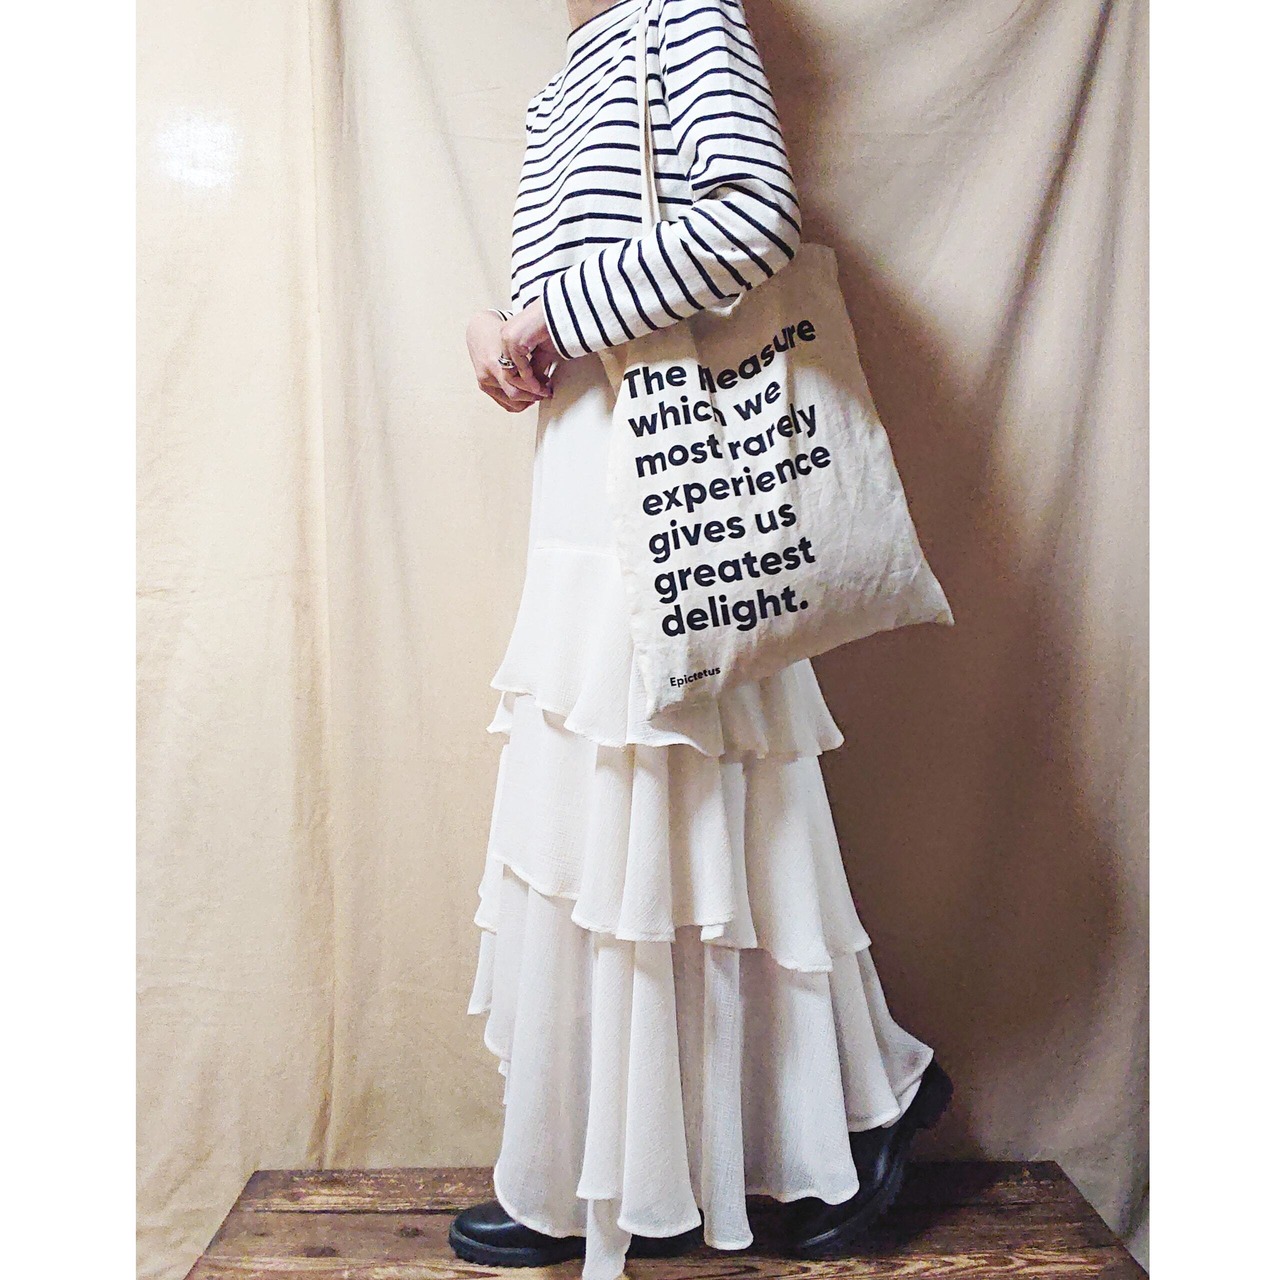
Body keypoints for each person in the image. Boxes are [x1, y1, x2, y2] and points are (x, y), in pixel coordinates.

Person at [452, 2, 952, 1277]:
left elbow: (751, 217)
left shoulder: (681, 12)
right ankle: (622, 1151)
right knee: (626, 807)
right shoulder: (573, 65)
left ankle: (845, 1105)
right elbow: (568, 273)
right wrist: (498, 333)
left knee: (686, 788)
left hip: (666, 471)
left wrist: (555, 320)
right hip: (592, 463)